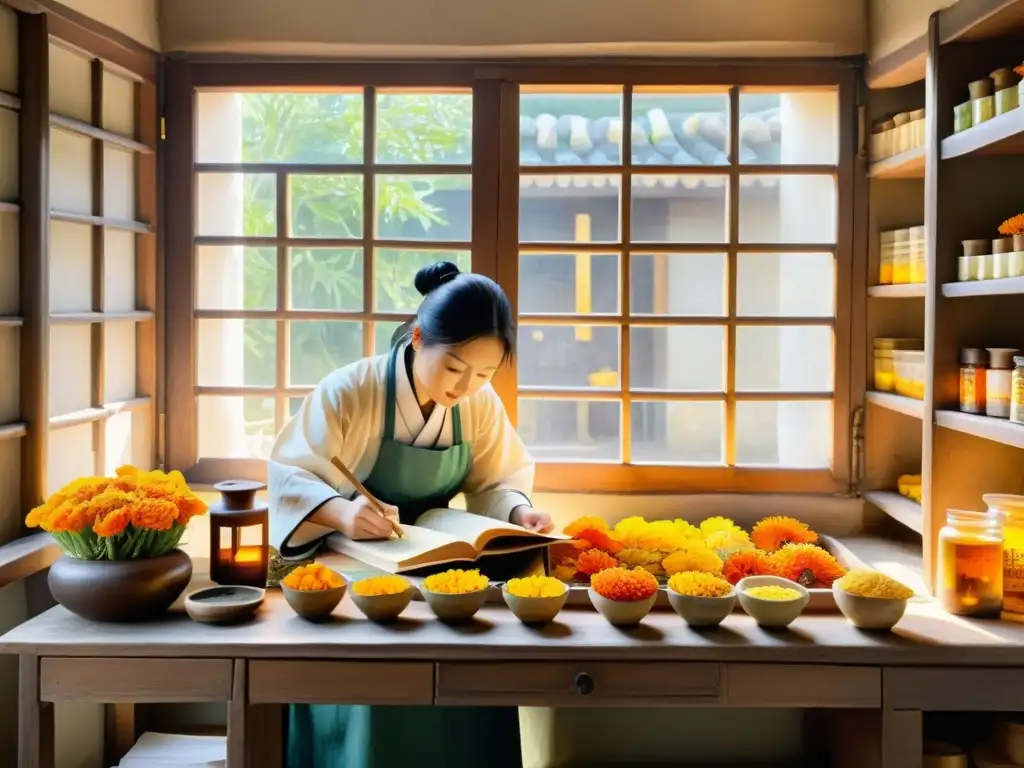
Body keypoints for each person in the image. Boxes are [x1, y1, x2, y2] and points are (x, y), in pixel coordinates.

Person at [268, 261, 553, 768]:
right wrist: (341, 513)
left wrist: (518, 511)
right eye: (454, 368)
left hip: (446, 572)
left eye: (484, 374)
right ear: (419, 338)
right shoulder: (350, 390)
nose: (466, 386)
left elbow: (495, 481)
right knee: (378, 694)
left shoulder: (479, 404)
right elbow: (291, 475)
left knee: (472, 672)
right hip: (359, 570)